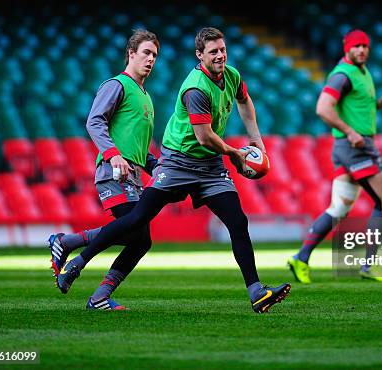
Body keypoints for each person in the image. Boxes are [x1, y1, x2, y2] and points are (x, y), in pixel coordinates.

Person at [55, 27, 290, 314]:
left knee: (237, 222)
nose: (220, 55)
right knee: (137, 223)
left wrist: (256, 140)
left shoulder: (229, 76)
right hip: (179, 163)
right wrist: (236, 154)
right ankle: (77, 260)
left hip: (209, 166)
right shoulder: (194, 88)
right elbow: (203, 136)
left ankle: (256, 292)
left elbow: (244, 101)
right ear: (199, 55)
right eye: (213, 51)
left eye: (222, 49)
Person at [48, 29, 159, 310]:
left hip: (133, 174)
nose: (151, 59)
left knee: (140, 240)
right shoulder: (116, 84)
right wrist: (112, 156)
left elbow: (137, 146)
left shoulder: (146, 97)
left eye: (155, 55)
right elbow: (94, 121)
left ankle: (94, 286)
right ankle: (76, 264)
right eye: (146, 52)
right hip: (114, 172)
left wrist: (156, 165)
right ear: (131, 53)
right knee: (134, 229)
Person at [287, 29, 382, 284]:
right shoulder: (342, 75)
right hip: (356, 146)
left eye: (365, 46)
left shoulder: (361, 72)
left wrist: (379, 104)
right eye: (357, 46)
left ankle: (301, 257)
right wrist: (350, 132)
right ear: (346, 47)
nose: (362, 50)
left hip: (346, 147)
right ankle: (370, 265)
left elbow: (355, 108)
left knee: (338, 208)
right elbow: (323, 108)